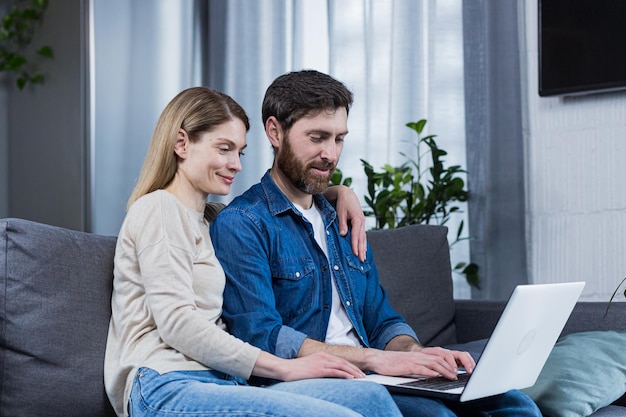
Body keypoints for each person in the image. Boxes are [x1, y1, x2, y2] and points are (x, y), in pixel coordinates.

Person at [210, 70, 542, 417]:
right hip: (311, 383)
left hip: (374, 375)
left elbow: (381, 319)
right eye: (317, 137)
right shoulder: (243, 224)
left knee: (516, 404)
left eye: (339, 138)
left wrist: (412, 352)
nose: (330, 154)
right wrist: (377, 358)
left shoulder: (341, 218)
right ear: (275, 132)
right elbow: (261, 336)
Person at [103, 86, 404, 417]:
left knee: (371, 400)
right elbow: (177, 322)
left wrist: (338, 192)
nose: (236, 165)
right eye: (224, 149)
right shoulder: (159, 208)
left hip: (220, 383)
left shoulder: (212, 219)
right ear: (181, 143)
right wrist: (285, 368)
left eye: (240, 153)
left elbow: (282, 205)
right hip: (165, 383)